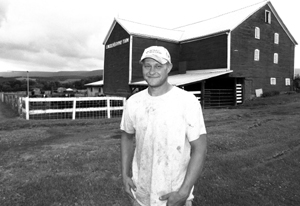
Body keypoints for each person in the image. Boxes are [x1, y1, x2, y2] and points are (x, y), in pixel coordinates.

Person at [121, 46, 207, 206]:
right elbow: (126, 136)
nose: (152, 71)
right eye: (147, 65)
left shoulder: (187, 101)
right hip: (141, 195)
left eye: (158, 66)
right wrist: (125, 175)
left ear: (168, 68)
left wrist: (184, 192)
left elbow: (200, 149)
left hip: (174, 196)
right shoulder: (134, 102)